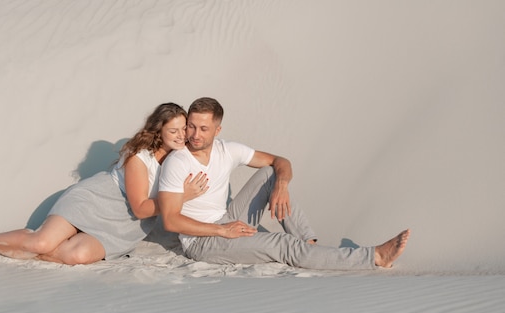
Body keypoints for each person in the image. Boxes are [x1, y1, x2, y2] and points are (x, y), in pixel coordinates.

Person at [0, 102, 209, 265]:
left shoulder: (181, 157)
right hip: (96, 201)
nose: (180, 135)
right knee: (43, 243)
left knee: (76, 257)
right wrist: (181, 197)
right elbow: (140, 208)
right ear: (158, 131)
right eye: (172, 130)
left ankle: (18, 243)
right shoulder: (139, 157)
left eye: (183, 129)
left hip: (124, 225)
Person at [158, 97, 410, 270]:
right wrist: (223, 231)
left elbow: (280, 161)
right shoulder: (178, 162)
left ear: (218, 130)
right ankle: (374, 257)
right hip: (201, 240)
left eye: (203, 128)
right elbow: (170, 220)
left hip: (226, 218)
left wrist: (281, 186)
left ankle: (310, 247)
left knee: (270, 174)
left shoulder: (228, 150)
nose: (194, 135)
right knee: (282, 244)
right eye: (191, 126)